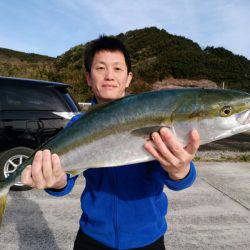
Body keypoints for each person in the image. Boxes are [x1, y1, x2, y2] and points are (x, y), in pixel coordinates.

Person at [21, 36, 200, 250]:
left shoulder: (151, 114)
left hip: (148, 238)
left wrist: (181, 170)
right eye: (100, 68)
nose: (109, 76)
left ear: (128, 78)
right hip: (92, 237)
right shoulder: (78, 123)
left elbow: (177, 179)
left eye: (117, 69)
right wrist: (56, 180)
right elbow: (65, 180)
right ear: (88, 77)